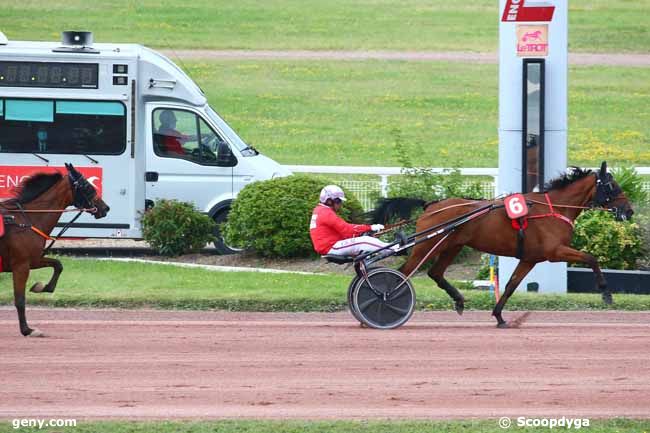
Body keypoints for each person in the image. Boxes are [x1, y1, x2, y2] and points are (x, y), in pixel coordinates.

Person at [310, 185, 396, 257]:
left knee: (364, 243)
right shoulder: (326, 213)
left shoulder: (319, 210)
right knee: (365, 241)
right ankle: (395, 249)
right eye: (338, 201)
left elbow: (342, 231)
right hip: (331, 247)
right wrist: (370, 227)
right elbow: (347, 229)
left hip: (329, 246)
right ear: (329, 201)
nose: (340, 204)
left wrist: (362, 231)